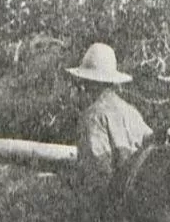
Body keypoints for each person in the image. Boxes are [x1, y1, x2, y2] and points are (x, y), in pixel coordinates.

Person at [65, 43, 154, 221]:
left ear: (85, 83)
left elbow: (97, 177)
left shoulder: (93, 117)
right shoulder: (131, 111)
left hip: (112, 210)